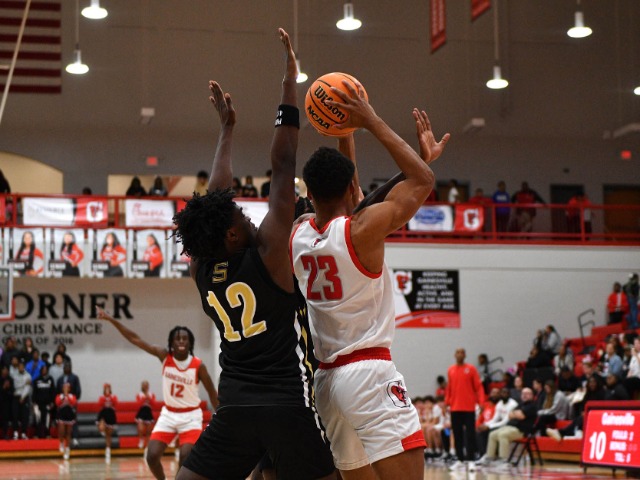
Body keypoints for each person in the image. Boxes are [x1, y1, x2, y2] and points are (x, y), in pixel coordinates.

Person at [172, 29, 336, 480]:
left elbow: (215, 201)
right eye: (239, 215)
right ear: (230, 234)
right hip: (287, 405)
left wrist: (226, 130)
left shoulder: (201, 270)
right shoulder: (268, 255)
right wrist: (289, 83)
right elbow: (283, 164)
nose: (244, 213)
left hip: (236, 409)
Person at [290, 70, 449, 478]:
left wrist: (344, 132)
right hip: (369, 373)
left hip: (326, 383)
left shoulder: (299, 234)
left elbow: (354, 197)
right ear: (351, 189)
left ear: (309, 193)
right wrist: (369, 120)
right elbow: (423, 180)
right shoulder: (361, 231)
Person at [96, 306, 218, 480]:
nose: (181, 341)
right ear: (171, 343)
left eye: (185, 338)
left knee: (185, 456)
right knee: (152, 456)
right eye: (177, 338)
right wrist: (111, 319)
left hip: (191, 417)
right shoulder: (164, 356)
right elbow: (135, 339)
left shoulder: (198, 365)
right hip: (169, 414)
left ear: (190, 342)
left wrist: (222, 417)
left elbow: (212, 393)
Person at [445, 348, 485, 470]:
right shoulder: (451, 370)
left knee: (470, 434)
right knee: (457, 434)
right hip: (455, 408)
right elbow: (449, 388)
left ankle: (471, 460)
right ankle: (460, 459)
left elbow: (478, 387)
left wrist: (481, 402)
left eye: (462, 352)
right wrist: (446, 403)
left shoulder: (471, 369)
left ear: (465, 355)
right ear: (454, 355)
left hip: (469, 408)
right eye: (458, 352)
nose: (460, 354)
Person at [477, 387, 537, 468]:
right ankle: (489, 457)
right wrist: (516, 414)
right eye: (523, 393)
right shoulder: (520, 404)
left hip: (521, 431)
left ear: (532, 395)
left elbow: (521, 416)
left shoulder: (532, 406)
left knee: (502, 435)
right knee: (492, 434)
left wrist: (516, 414)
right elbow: (510, 415)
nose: (524, 395)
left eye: (527, 394)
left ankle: (503, 460)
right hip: (511, 427)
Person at [55, 382, 77, 460]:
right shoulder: (59, 396)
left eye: (67, 387)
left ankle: (67, 450)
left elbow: (73, 403)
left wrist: (67, 396)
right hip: (62, 414)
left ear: (69, 389)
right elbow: (57, 403)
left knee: (68, 433)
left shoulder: (72, 396)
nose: (66, 389)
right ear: (62, 389)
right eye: (64, 387)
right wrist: (63, 397)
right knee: (61, 431)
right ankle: (61, 442)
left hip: (69, 414)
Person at [10, 359, 31, 439]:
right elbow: (15, 386)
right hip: (16, 396)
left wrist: (23, 397)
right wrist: (23, 384)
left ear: (24, 367)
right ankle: (15, 432)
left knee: (24, 416)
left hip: (24, 397)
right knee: (15, 415)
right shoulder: (14, 375)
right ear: (18, 367)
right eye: (19, 366)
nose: (21, 368)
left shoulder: (28, 375)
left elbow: (27, 387)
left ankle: (23, 433)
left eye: (22, 366)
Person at [33, 364, 55, 438]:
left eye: (45, 370)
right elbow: (34, 392)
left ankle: (47, 434)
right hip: (38, 404)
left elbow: (53, 391)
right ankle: (37, 434)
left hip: (47, 404)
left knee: (47, 419)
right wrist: (34, 402)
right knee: (38, 419)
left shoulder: (50, 379)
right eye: (43, 370)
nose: (44, 371)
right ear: (41, 370)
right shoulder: (37, 380)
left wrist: (52, 402)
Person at [97, 383, 118, 463]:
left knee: (109, 435)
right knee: (101, 426)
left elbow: (116, 403)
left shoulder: (113, 397)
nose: (107, 390)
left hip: (111, 414)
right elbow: (100, 404)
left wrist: (110, 398)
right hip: (103, 413)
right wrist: (106, 398)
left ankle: (108, 450)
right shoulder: (102, 397)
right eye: (106, 388)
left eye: (108, 388)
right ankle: (102, 431)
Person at [135, 380, 156, 449]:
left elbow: (154, 404)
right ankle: (141, 439)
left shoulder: (151, 394)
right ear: (142, 386)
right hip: (141, 411)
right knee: (141, 429)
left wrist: (149, 398)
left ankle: (147, 445)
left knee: (149, 431)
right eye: (144, 386)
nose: (145, 387)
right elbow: (138, 404)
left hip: (148, 411)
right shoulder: (139, 395)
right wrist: (144, 398)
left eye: (146, 386)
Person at [1, 365, 14, 439]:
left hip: (7, 402)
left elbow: (12, 391)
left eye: (7, 370)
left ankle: (5, 434)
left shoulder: (10, 379)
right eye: (4, 370)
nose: (5, 371)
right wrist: (3, 387)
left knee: (5, 418)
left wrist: (8, 388)